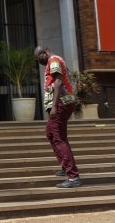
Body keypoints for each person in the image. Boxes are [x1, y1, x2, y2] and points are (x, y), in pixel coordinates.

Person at [34, 45, 81, 188]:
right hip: (63, 103)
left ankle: (73, 176)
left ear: (44, 52)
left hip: (60, 103)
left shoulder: (53, 60)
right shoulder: (56, 59)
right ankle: (64, 166)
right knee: (52, 134)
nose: (39, 61)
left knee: (58, 137)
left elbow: (58, 82)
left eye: (39, 58)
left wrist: (54, 106)